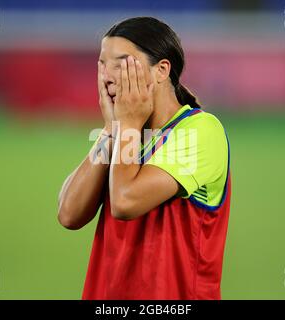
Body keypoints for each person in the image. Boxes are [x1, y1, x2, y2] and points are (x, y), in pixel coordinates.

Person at [58, 17, 231, 300]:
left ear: (162, 70)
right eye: (102, 64)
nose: (108, 75)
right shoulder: (124, 134)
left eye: (122, 63)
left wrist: (124, 127)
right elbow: (69, 214)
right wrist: (109, 130)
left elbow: (125, 202)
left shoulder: (200, 131)